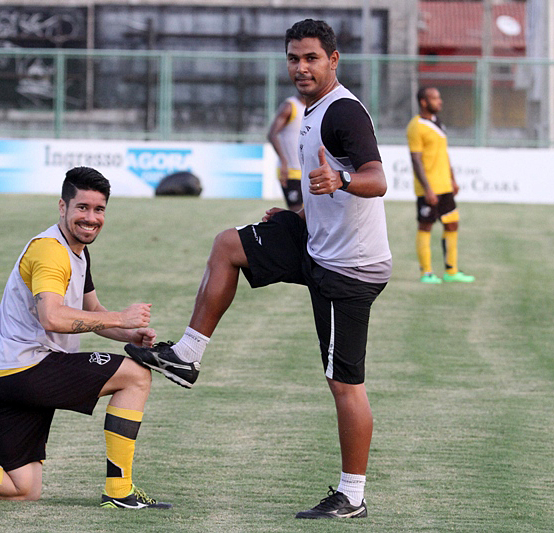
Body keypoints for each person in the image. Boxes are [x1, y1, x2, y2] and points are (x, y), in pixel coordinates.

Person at [125, 19, 390, 519]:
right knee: (229, 245)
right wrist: (295, 217)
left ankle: (352, 495)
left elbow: (376, 180)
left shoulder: (343, 112)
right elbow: (329, 198)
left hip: (348, 268)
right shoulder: (310, 112)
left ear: (334, 60)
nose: (301, 67)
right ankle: (186, 354)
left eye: (311, 57)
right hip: (316, 241)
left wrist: (341, 177)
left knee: (345, 383)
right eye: (293, 58)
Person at [0, 167, 171, 509]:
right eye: (82, 207)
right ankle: (119, 490)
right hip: (29, 369)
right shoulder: (51, 252)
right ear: (62, 207)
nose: (91, 218)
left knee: (23, 489)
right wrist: (120, 317)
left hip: (2, 379)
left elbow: (93, 312)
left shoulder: (77, 252)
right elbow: (52, 317)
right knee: (136, 376)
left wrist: (129, 332)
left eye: (99, 210)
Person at [406, 87, 475, 284]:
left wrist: (452, 179)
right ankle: (426, 272)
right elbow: (416, 160)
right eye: (435, 98)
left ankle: (451, 271)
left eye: (439, 97)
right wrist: (427, 188)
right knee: (426, 226)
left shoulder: (438, 124)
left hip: (444, 185)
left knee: (452, 223)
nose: (440, 101)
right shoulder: (416, 126)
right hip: (429, 188)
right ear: (423, 102)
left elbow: (444, 154)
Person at [267, 91, 305, 211]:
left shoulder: (314, 108)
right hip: (291, 171)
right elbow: (272, 134)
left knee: (310, 214)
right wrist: (284, 161)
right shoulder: (290, 106)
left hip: (308, 172)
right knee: (297, 212)